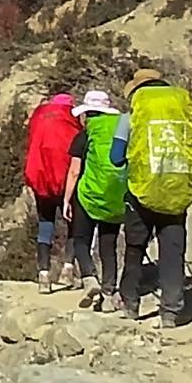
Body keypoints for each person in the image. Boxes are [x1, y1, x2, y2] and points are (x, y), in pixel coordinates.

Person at [119, 75, 192, 328]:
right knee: (172, 253)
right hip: (176, 191)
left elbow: (115, 157)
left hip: (141, 193)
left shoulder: (129, 118)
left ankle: (131, 305)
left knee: (135, 250)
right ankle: (171, 311)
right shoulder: (181, 117)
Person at [70, 89, 132, 305]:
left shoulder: (86, 135)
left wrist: (67, 198)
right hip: (116, 195)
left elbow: (74, 171)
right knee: (108, 243)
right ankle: (108, 291)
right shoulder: (123, 127)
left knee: (80, 239)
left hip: (89, 194)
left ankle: (89, 278)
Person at [21, 88, 80, 290]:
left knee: (45, 224)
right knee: (74, 224)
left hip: (42, 178)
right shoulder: (71, 122)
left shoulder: (40, 117)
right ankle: (68, 269)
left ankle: (43, 275)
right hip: (66, 181)